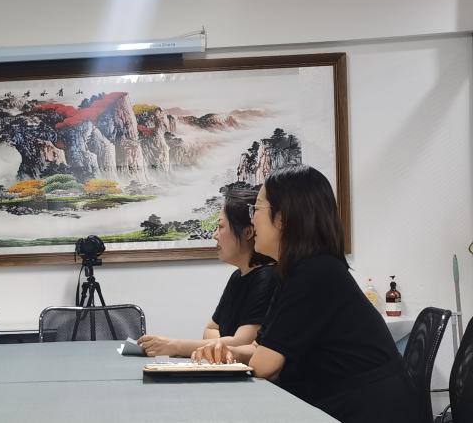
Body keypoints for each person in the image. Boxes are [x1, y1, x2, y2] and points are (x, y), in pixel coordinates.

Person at [191, 165, 423, 422]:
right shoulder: (295, 271)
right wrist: (229, 351)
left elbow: (264, 366)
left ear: (282, 218)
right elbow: (261, 347)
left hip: (370, 410)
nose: (252, 220)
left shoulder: (314, 273)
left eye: (256, 209)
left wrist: (232, 353)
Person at [137, 188, 277, 357]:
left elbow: (243, 343)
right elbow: (211, 329)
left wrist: (174, 346)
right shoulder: (238, 276)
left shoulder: (267, 277)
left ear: (247, 232)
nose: (215, 235)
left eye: (221, 226)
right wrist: (220, 345)